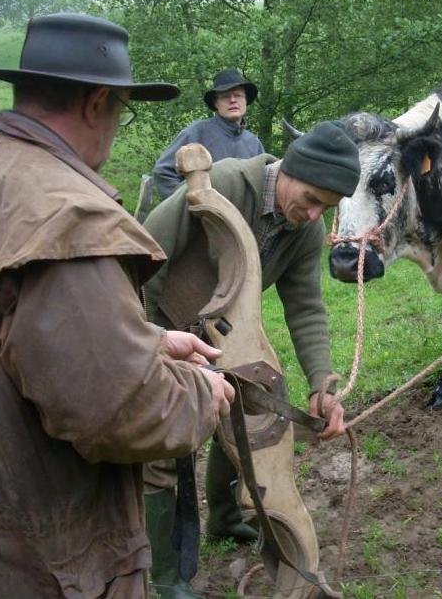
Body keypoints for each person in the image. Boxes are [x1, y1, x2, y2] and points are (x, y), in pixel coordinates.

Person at [0, 13, 235, 599]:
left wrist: (150, 341)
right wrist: (204, 393)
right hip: (20, 561)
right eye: (122, 110)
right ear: (98, 102)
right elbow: (121, 413)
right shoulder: (69, 218)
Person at [141, 120, 359, 594]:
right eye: (312, 199)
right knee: (165, 443)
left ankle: (224, 517)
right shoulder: (223, 181)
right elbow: (144, 252)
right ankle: (164, 576)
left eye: (328, 207)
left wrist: (322, 383)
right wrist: (147, 336)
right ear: (290, 170)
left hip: (226, 332)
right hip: (161, 319)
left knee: (248, 412)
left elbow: (306, 306)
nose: (315, 215)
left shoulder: (306, 230)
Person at [152, 68, 265, 199]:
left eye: (238, 95)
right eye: (225, 96)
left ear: (245, 101)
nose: (233, 100)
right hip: (202, 211)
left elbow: (264, 184)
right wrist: (186, 204)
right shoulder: (197, 132)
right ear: (216, 103)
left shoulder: (253, 143)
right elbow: (163, 171)